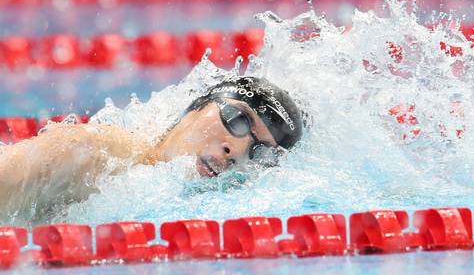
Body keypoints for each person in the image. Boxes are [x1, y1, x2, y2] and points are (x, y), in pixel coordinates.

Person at [0, 76, 303, 223]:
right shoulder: (90, 153)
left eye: (260, 152)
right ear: (196, 107)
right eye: (237, 119)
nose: (235, 150)